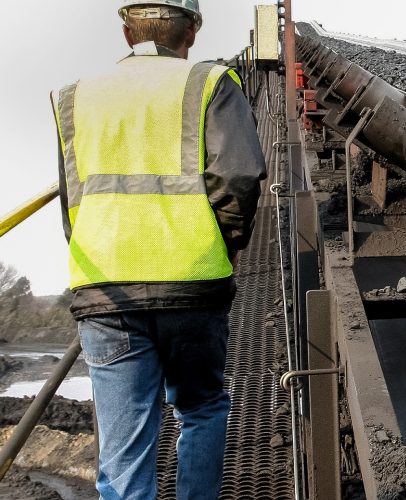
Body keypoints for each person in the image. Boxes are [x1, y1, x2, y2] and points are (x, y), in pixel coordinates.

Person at [51, 1, 266, 498]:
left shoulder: (74, 96)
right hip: (193, 283)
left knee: (123, 451)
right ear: (191, 31)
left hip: (105, 290)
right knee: (203, 408)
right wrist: (223, 243)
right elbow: (239, 175)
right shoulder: (210, 82)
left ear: (127, 32)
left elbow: (71, 197)